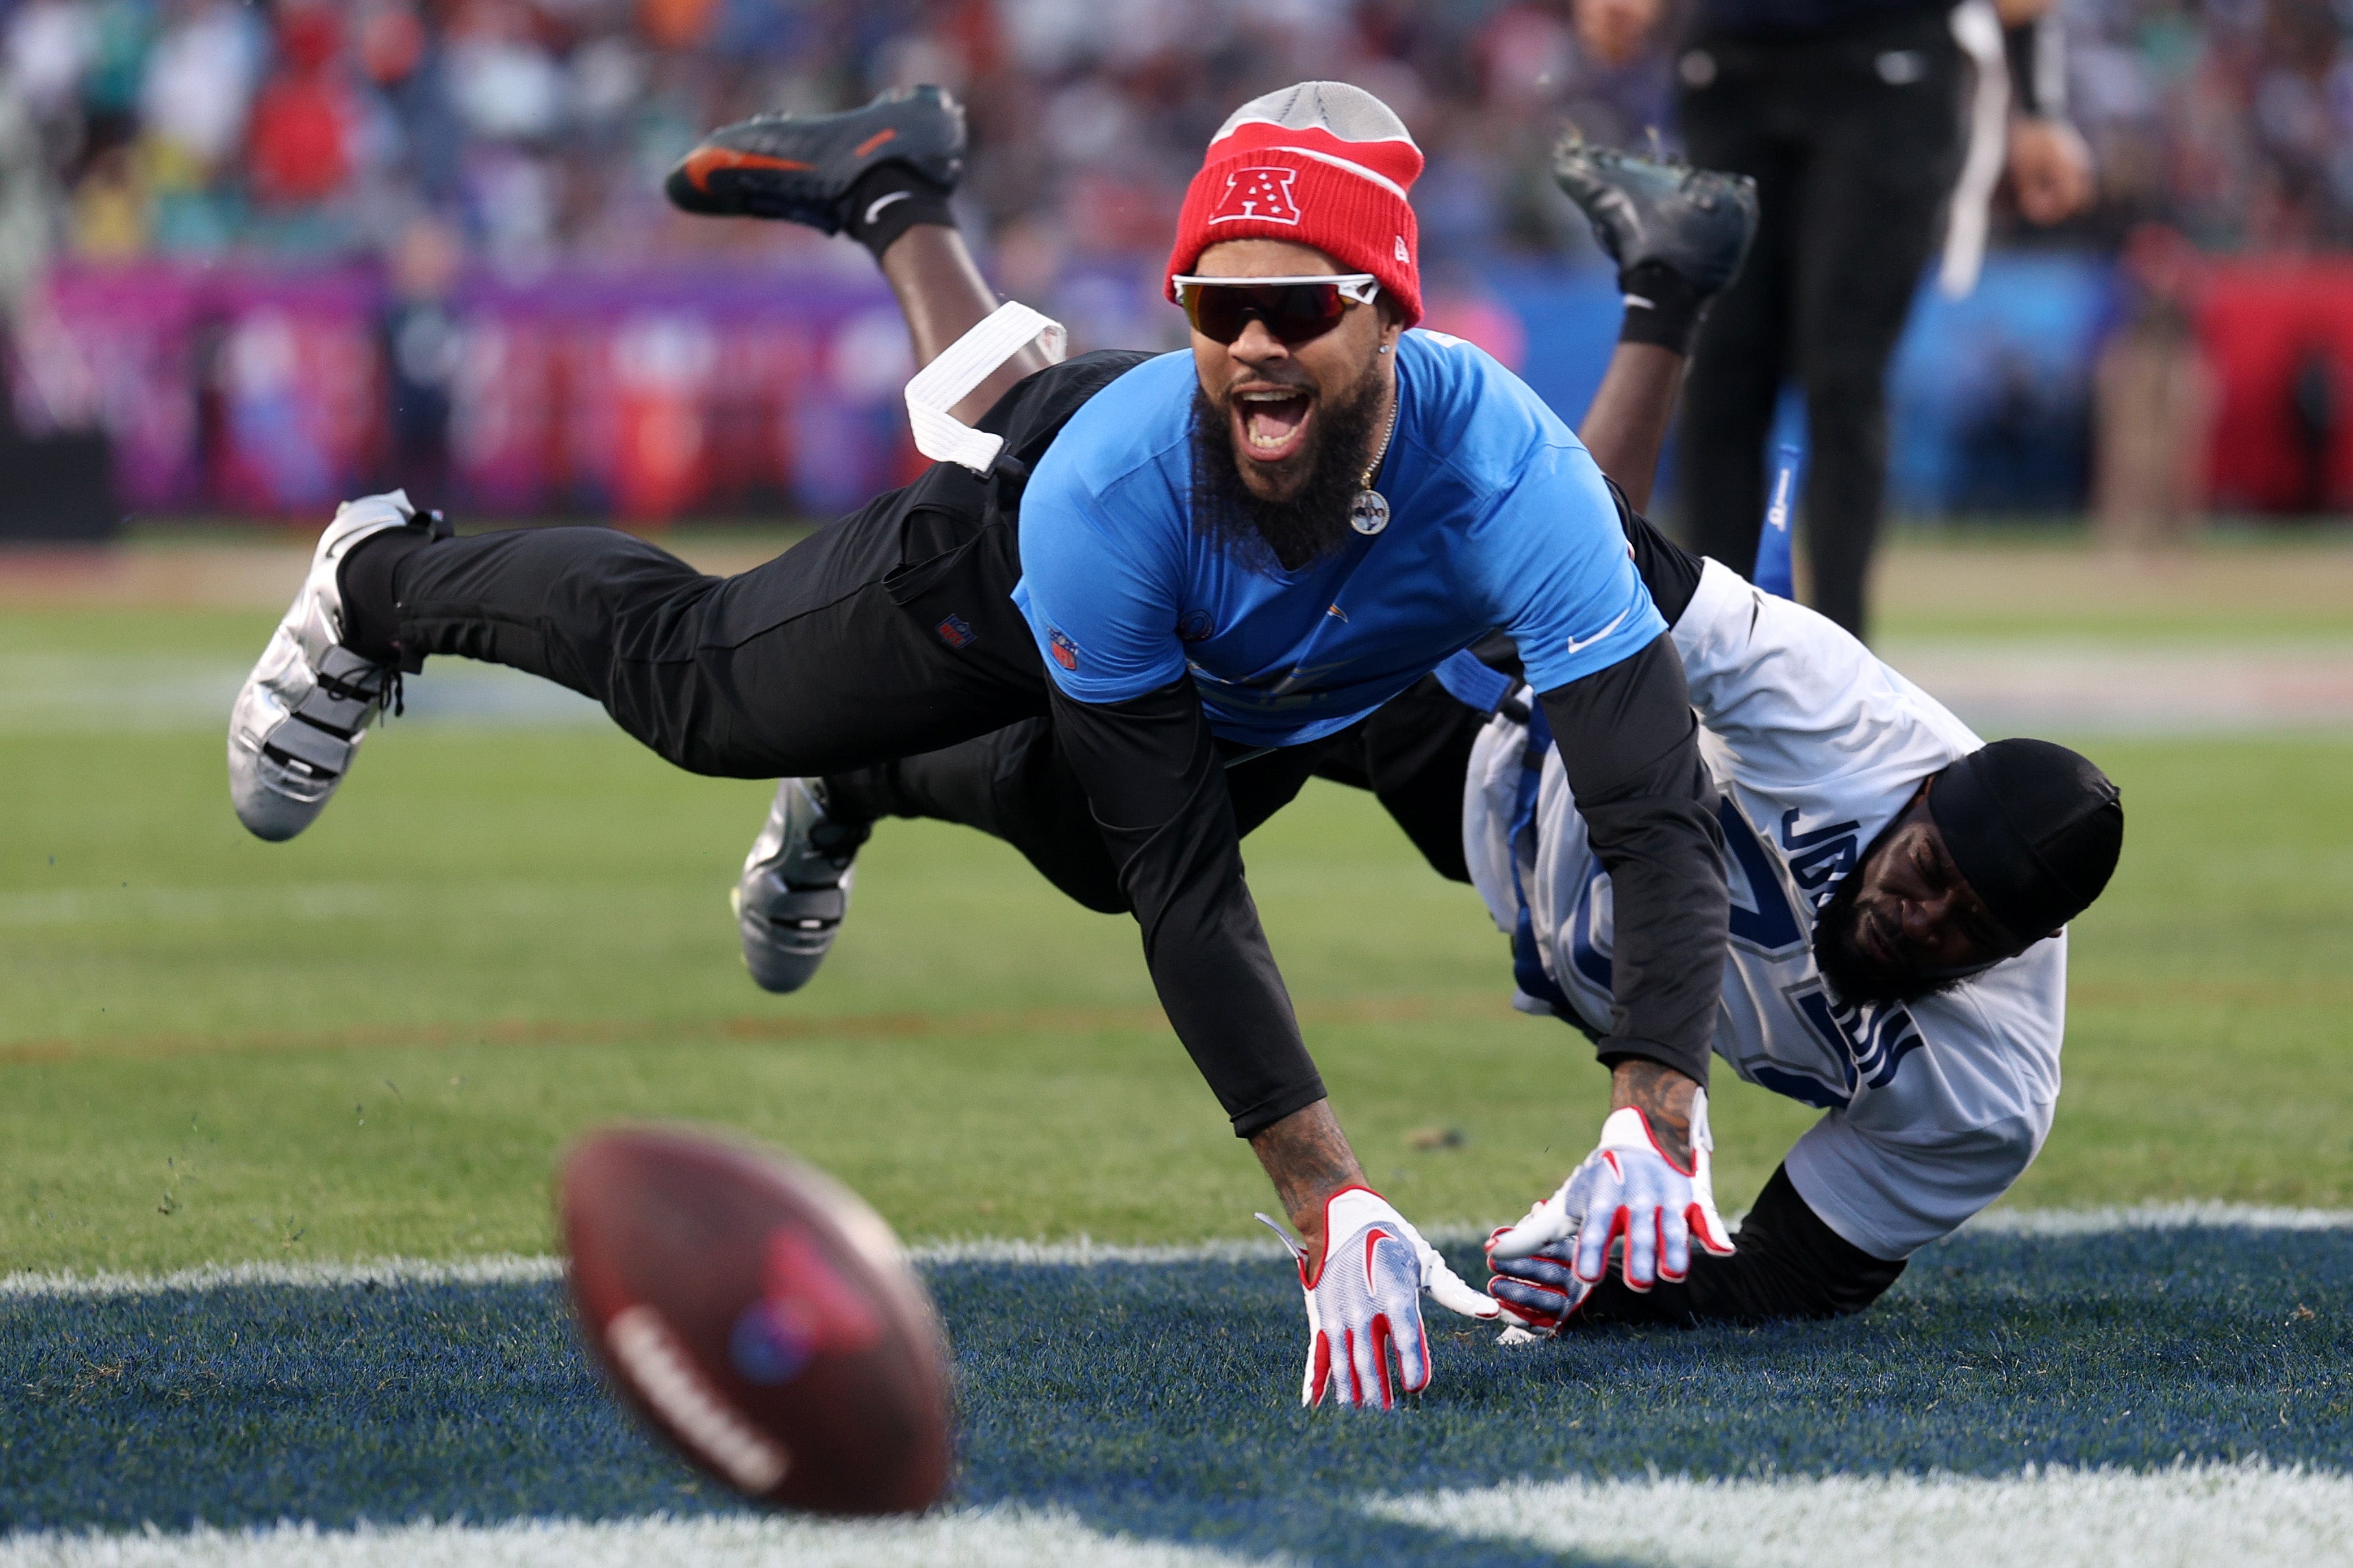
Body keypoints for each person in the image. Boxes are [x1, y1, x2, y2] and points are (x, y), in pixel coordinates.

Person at [224, 82, 1737, 1412]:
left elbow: (1649, 804)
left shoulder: (1513, 476)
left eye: (1301, 306)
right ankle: (382, 576)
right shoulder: (1113, 499)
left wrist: (1652, 1110)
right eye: (1218, 308)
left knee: (1092, 852)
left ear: (1390, 311)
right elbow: (1187, 882)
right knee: (705, 698)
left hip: (1281, 677)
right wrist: (1325, 1201)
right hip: (1013, 568)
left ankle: (893, 194)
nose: (1258, 345)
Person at [712, 120, 2125, 1337]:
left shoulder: (1984, 1089)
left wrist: (1605, 1282)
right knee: (1029, 487)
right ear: (1918, 790)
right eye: (1922, 864)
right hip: (1489, 733)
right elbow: (1607, 562)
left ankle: (1661, 285)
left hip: (1484, 810)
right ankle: (897, 198)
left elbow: (1787, 1276)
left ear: (2017, 951)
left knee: (1106, 840)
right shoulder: (1852, 724)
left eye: (1961, 923)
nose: (1914, 911)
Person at [1569, 0, 2094, 637]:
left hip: (1885, 57)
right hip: (1734, 61)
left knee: (1843, 376)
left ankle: (1840, 658)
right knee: (1721, 376)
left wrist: (2039, 105)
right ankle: (1707, 648)